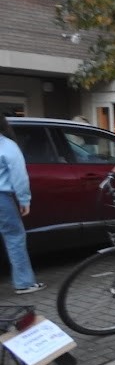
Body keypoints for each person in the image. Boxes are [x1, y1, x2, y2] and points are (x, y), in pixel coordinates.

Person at [0, 115, 46, 294]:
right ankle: (24, 282)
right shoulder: (7, 146)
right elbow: (19, 176)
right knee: (14, 238)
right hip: (2, 198)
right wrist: (24, 199)